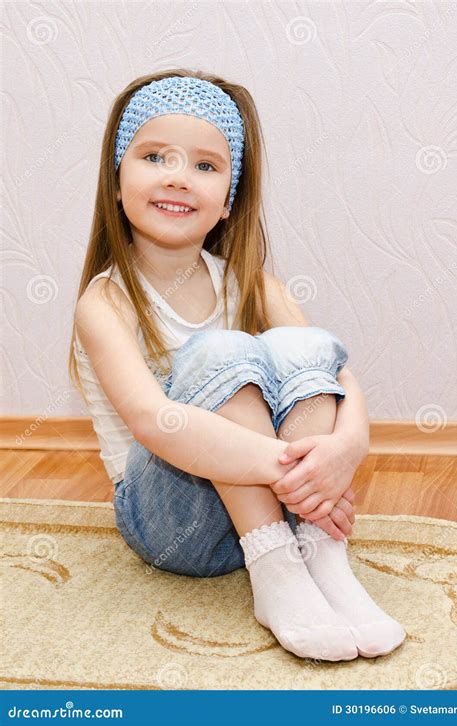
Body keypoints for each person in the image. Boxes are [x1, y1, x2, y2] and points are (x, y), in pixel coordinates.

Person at [68, 70, 405, 662]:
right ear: (116, 184)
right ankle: (277, 572)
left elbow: (336, 376)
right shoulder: (105, 301)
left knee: (306, 345)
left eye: (205, 165)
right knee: (222, 352)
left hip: (279, 505)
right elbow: (152, 421)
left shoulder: (253, 284)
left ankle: (321, 557)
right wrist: (298, 479)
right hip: (173, 525)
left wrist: (344, 452)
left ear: (227, 200)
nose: (178, 175)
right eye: (154, 156)